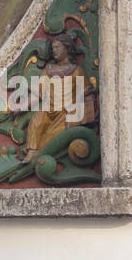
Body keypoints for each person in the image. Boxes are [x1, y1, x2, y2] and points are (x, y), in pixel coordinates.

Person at [21, 31, 95, 162]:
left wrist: (87, 114)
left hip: (65, 113)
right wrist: (22, 107)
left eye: (57, 47)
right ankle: (32, 151)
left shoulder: (76, 71)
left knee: (50, 136)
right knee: (36, 123)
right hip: (48, 108)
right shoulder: (48, 70)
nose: (54, 50)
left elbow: (86, 93)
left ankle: (39, 155)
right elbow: (39, 91)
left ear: (67, 48)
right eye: (53, 48)